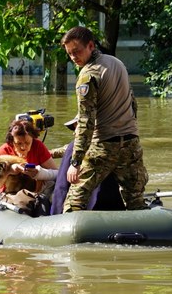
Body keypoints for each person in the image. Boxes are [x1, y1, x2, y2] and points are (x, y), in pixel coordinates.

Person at [60, 26, 149, 212]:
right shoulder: (117, 63)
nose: (73, 57)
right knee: (135, 200)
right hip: (131, 143)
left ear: (90, 45)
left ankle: (73, 239)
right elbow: (133, 104)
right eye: (69, 54)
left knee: (74, 201)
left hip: (104, 144)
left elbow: (85, 121)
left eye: (76, 51)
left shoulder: (87, 75)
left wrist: (75, 162)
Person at [49, 117, 125, 215]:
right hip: (114, 209)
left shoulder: (74, 148)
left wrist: (55, 215)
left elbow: (61, 186)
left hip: (86, 210)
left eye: (76, 128)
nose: (74, 133)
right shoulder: (114, 146)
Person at [0, 119, 58, 193]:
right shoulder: (4, 150)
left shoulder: (38, 146)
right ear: (12, 140)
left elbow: (57, 174)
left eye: (27, 143)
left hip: (36, 191)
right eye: (19, 143)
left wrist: (38, 173)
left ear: (33, 139)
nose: (23, 147)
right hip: (10, 193)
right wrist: (9, 171)